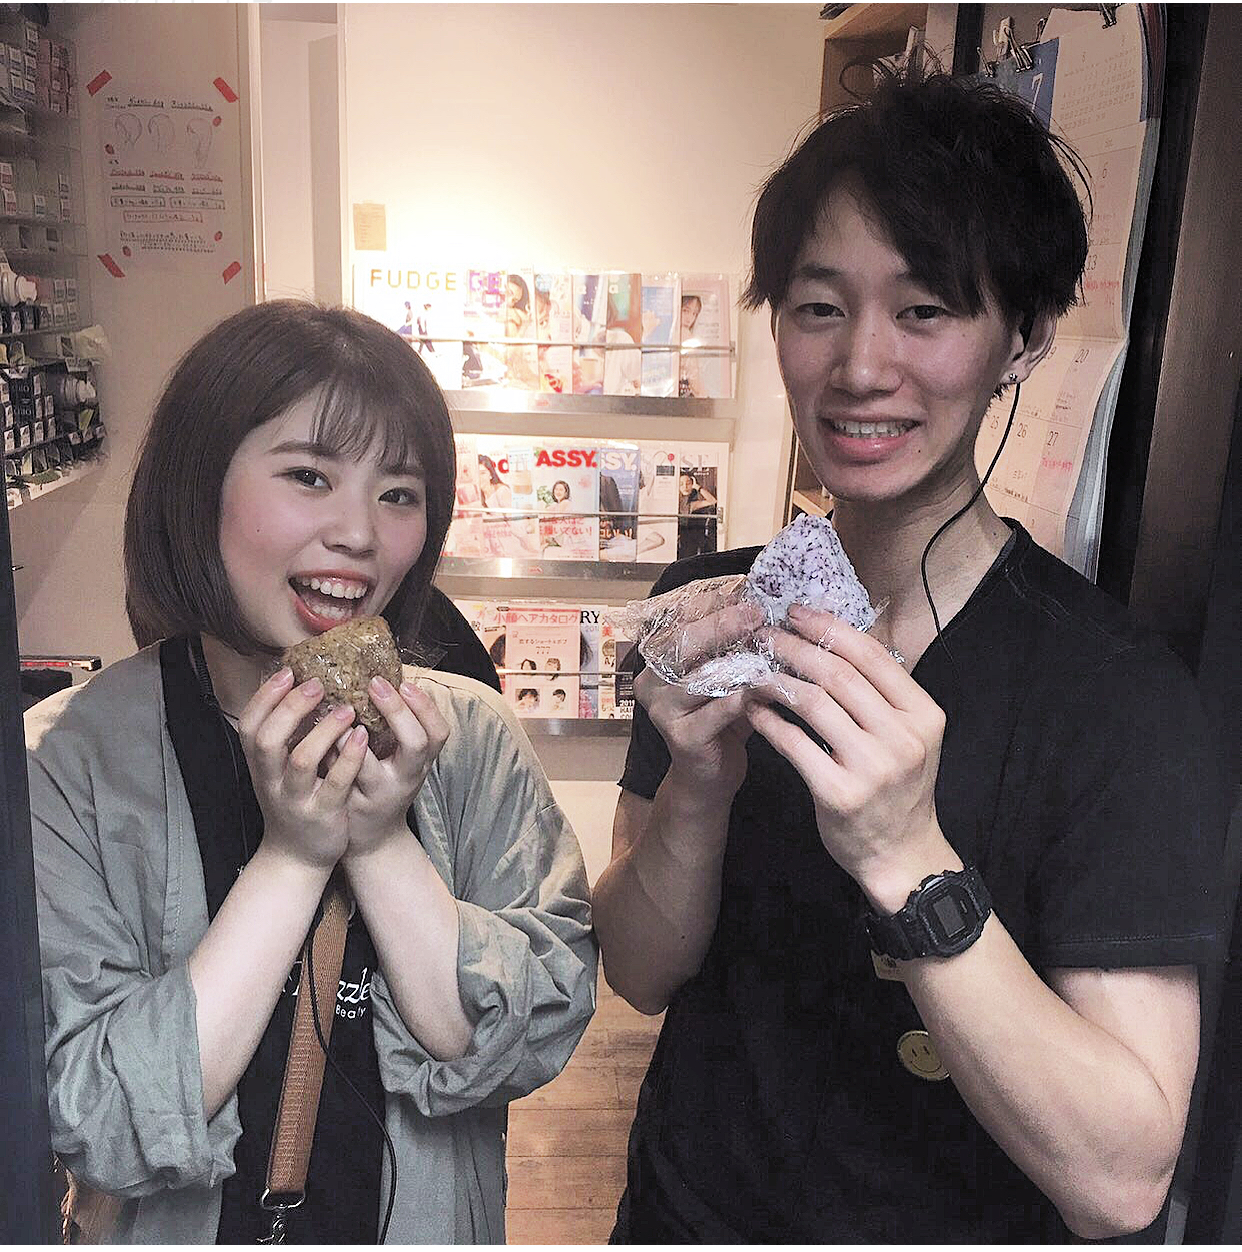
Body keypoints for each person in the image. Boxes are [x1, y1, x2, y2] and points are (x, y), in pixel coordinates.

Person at [593, 69, 1224, 1243]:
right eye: (817, 306)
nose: (860, 366)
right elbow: (638, 971)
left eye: (926, 309)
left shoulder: (1117, 700)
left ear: (1024, 338)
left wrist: (906, 856)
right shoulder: (710, 613)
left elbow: (1121, 1179)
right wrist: (697, 788)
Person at [28, 301, 597, 1245]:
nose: (360, 535)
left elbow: (517, 1040)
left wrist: (378, 841)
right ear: (198, 485)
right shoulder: (73, 759)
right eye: (309, 476)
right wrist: (292, 857)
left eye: (399, 493)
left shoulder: (473, 739)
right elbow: (98, 1119)